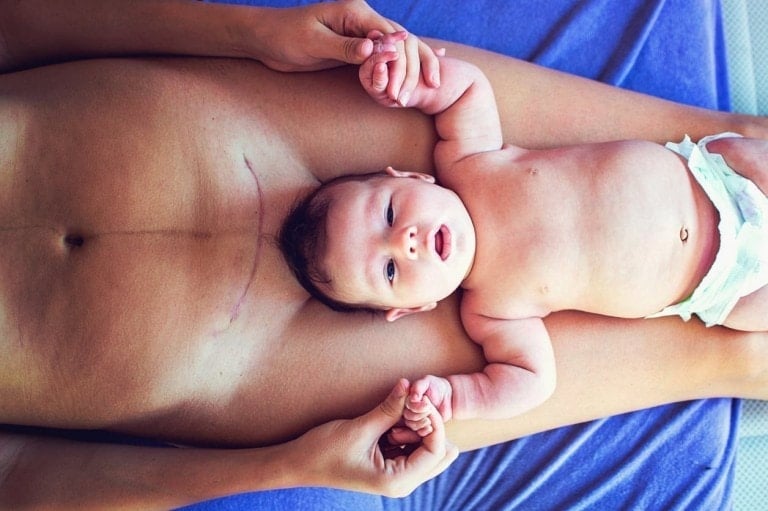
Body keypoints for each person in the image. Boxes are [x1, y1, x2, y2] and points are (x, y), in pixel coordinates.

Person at [1, 0, 768, 509]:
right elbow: (17, 478)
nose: (403, 238)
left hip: (243, 131)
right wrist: (289, 465)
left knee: (706, 159)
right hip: (251, 349)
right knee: (738, 352)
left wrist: (251, 33)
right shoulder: (446, 297)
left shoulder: (433, 183)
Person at [280, 41, 768, 434]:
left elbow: (467, 88)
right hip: (725, 286)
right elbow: (532, 383)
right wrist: (458, 399)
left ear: (412, 178)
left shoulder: (470, 162)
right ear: (410, 309)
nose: (405, 242)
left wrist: (410, 82)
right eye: (389, 270)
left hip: (716, 175)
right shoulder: (491, 310)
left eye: (389, 212)